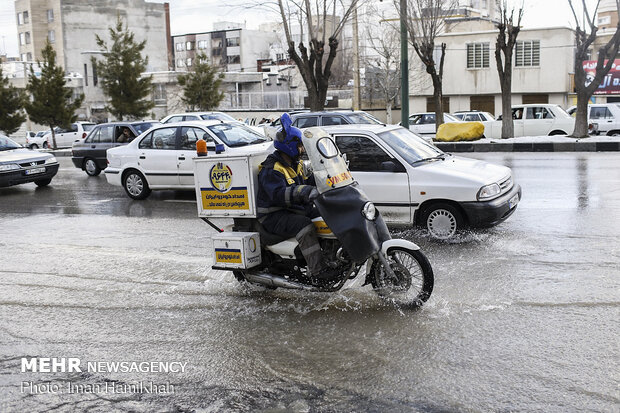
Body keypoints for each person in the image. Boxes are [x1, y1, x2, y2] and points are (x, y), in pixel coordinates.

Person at [256, 113, 336, 283]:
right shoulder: (272, 168)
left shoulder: (295, 164)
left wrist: (326, 178)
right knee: (304, 226)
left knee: (328, 215)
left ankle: (333, 257)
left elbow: (306, 181)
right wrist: (305, 191)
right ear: (289, 146)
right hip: (273, 215)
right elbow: (278, 195)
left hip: (291, 209)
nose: (302, 149)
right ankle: (317, 272)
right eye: (300, 145)